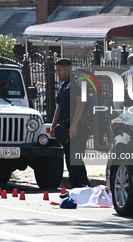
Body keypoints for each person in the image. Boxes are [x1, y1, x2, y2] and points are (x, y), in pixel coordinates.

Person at [50, 58, 90, 188]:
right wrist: (53, 125)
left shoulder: (78, 82)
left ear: (68, 69)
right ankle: (75, 188)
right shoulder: (62, 85)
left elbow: (81, 103)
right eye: (56, 70)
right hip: (64, 127)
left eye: (59, 70)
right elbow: (59, 107)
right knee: (69, 159)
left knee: (76, 159)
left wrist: (74, 125)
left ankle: (84, 186)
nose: (58, 73)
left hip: (78, 127)